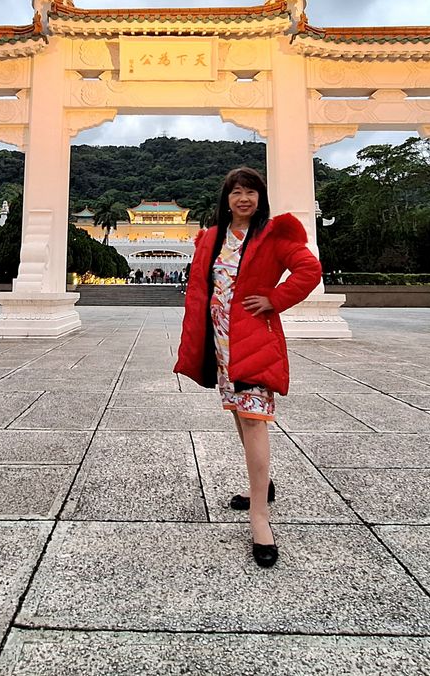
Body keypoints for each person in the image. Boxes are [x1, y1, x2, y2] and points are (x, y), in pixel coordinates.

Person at [174, 166, 321, 568]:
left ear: (260, 198)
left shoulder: (275, 234)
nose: (244, 198)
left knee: (254, 420)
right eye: (237, 192)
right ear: (226, 199)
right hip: (220, 342)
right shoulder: (211, 238)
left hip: (253, 339)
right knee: (241, 415)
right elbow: (200, 289)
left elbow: (309, 270)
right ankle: (263, 486)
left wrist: (275, 299)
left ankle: (260, 518)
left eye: (251, 192)